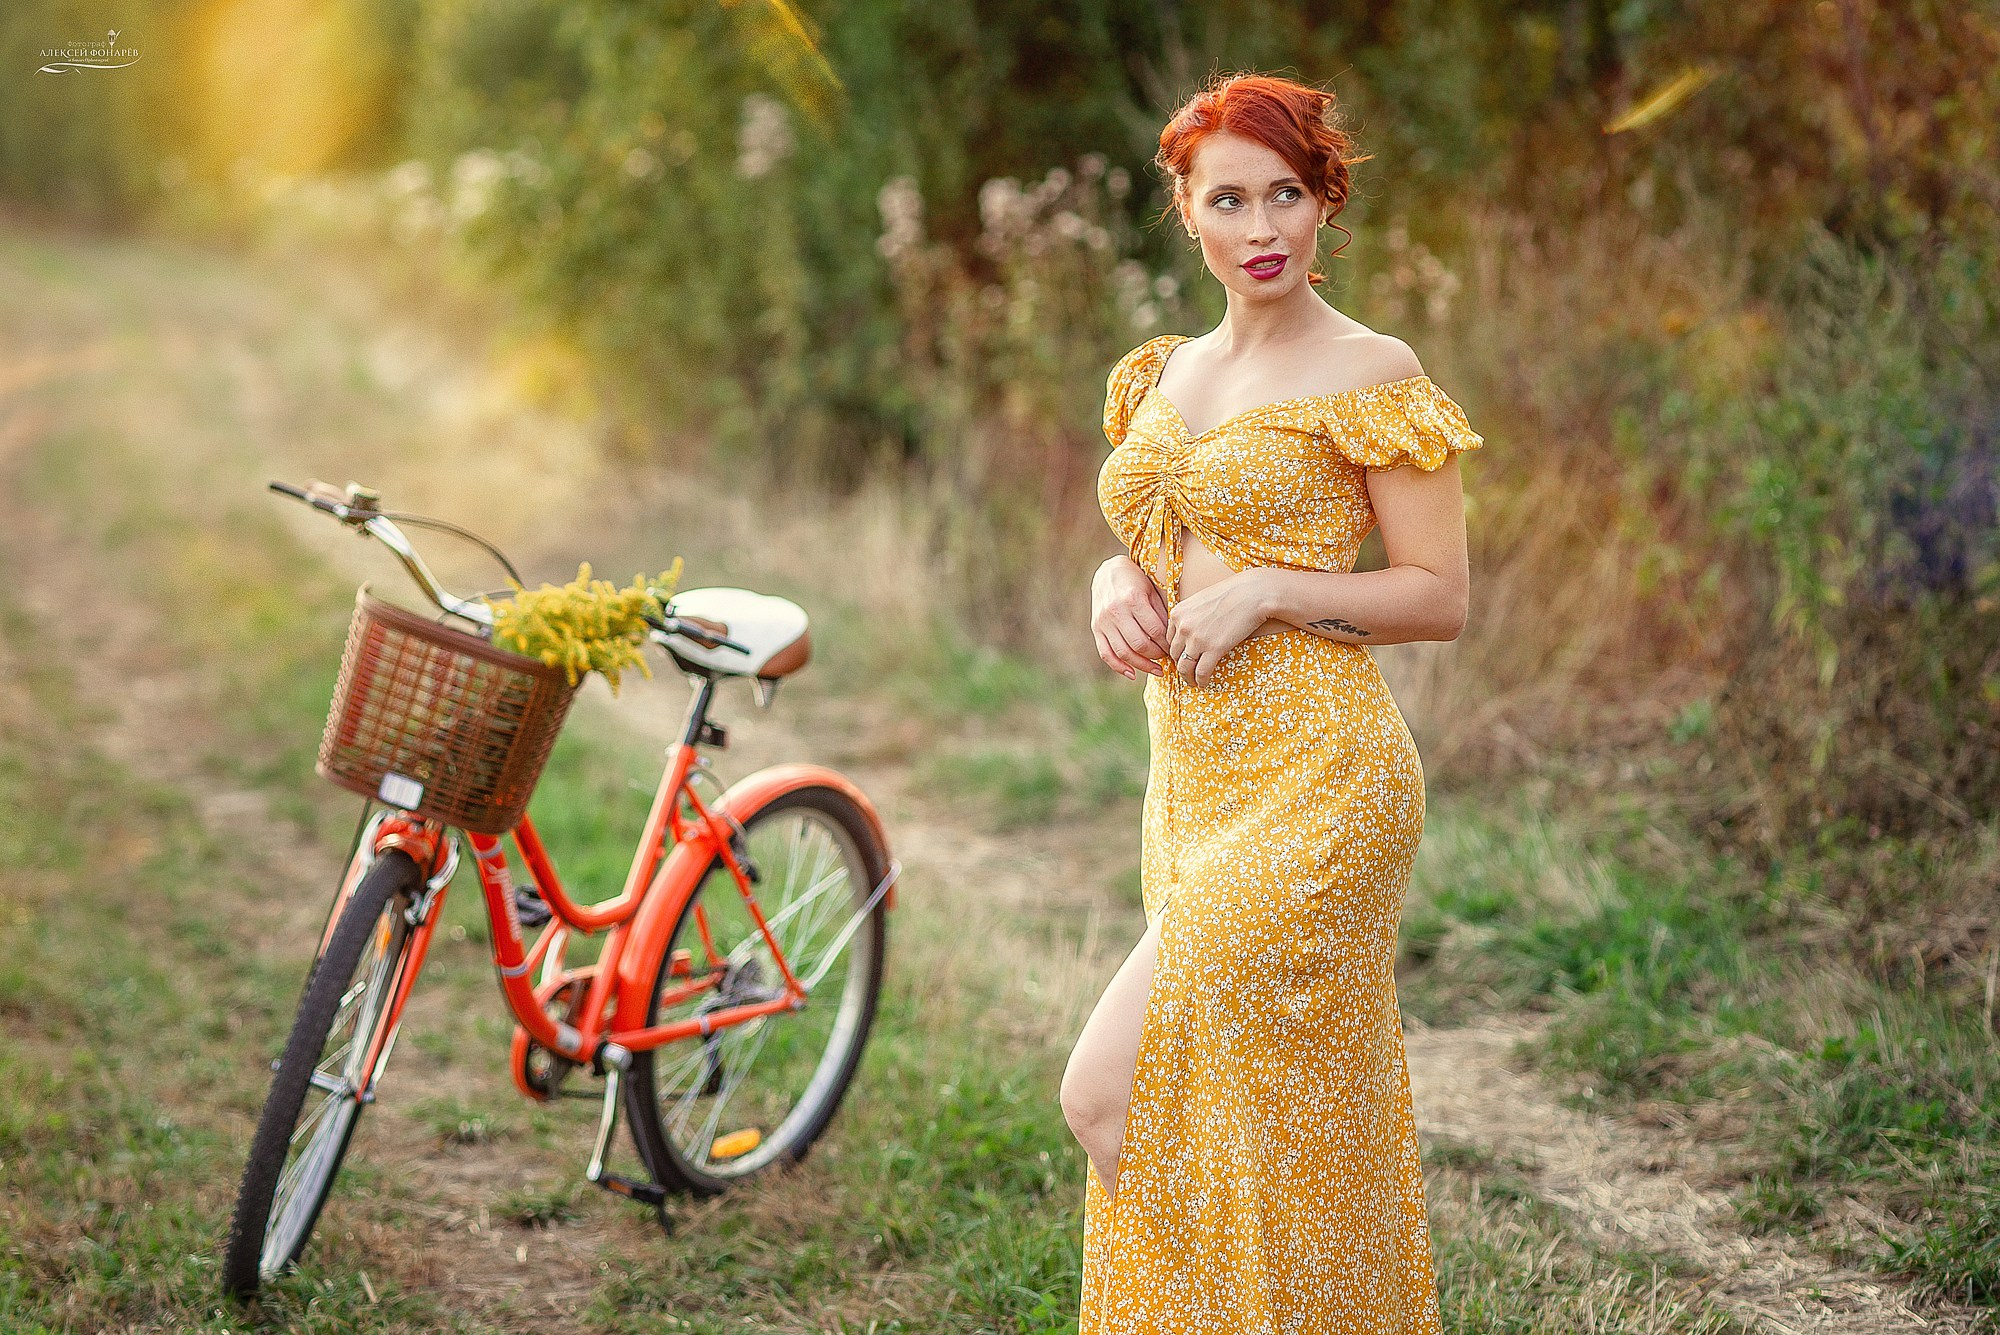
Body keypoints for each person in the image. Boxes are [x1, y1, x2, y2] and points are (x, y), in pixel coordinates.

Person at [1060, 71, 1483, 1334]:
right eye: (1229, 198)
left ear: (1323, 204)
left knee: (1107, 1094)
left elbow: (1436, 597)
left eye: (1285, 195)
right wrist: (1105, 579)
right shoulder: (1162, 376)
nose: (1261, 228)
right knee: (1245, 1119)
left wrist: (1268, 594)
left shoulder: (1370, 369)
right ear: (1185, 212)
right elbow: (1153, 541)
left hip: (1323, 782)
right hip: (1192, 783)